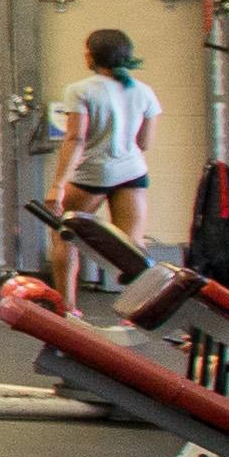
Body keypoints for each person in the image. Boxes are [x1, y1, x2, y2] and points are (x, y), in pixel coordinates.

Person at [41, 26, 161, 299]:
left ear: (90, 56)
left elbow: (75, 139)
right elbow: (144, 143)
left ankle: (68, 309)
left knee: (65, 236)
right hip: (132, 173)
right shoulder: (144, 92)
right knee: (133, 248)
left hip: (93, 174)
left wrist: (58, 185)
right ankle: (136, 314)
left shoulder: (80, 90)